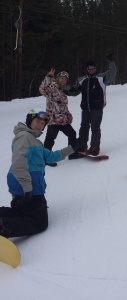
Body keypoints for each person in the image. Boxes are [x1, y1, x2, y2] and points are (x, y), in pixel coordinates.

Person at [0, 109, 82, 238]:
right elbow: (18, 165)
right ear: (29, 121)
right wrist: (27, 191)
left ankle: (4, 220)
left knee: (20, 213)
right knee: (40, 222)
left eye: (42, 123)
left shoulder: (35, 141)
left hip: (27, 187)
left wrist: (72, 148)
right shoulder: (24, 137)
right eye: (37, 121)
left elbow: (51, 156)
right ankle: (4, 228)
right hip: (27, 187)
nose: (40, 125)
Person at [68, 54, 117, 156]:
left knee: (95, 127)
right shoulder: (82, 80)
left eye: (93, 68)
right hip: (85, 108)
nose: (91, 70)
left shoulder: (101, 78)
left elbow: (112, 73)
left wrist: (111, 62)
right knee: (84, 127)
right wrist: (67, 91)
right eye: (89, 68)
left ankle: (94, 147)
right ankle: (82, 145)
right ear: (87, 69)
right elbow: (75, 90)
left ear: (95, 69)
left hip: (97, 108)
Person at [39, 68, 80, 167]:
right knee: (50, 139)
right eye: (61, 78)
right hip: (53, 121)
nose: (63, 80)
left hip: (63, 121)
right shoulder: (52, 87)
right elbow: (42, 89)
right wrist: (48, 77)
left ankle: (72, 154)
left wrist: (69, 115)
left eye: (65, 80)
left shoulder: (63, 92)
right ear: (57, 79)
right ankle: (46, 159)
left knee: (72, 134)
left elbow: (64, 107)